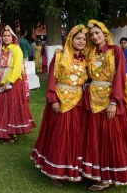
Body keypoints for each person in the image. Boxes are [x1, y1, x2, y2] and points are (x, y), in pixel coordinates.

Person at [80, 20, 127, 191]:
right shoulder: (91, 53)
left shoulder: (115, 50)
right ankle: (96, 173)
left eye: (97, 33)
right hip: (92, 99)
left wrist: (114, 102)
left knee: (110, 136)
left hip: (110, 99)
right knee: (95, 137)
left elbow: (120, 78)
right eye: (91, 34)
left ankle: (107, 177)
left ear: (104, 32)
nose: (94, 36)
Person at [31, 25, 88, 186]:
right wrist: (53, 99)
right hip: (60, 100)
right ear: (70, 39)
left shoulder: (86, 58)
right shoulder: (60, 55)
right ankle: (56, 170)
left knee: (75, 135)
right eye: (78, 38)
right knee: (60, 134)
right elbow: (52, 79)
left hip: (78, 100)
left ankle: (73, 168)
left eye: (84, 39)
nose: (81, 41)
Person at [0, 25, 35, 144]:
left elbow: (17, 68)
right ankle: (3, 132)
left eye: (8, 36)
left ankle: (12, 134)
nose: (6, 38)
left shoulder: (16, 49)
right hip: (0, 82)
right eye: (4, 36)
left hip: (13, 83)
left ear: (13, 37)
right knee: (2, 108)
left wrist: (8, 81)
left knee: (11, 108)